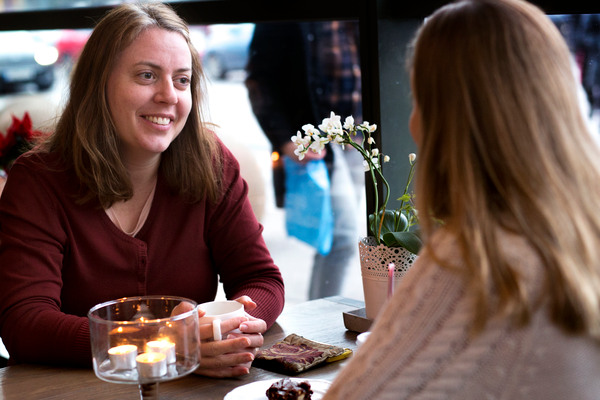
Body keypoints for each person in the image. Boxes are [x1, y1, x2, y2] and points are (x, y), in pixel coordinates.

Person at [324, 0, 600, 398]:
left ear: (445, 124)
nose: (411, 121)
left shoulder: (476, 259)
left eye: (418, 100)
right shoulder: (577, 237)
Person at [0, 3, 284, 378]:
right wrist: (168, 340)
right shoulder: (38, 179)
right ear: (98, 84)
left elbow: (262, 280)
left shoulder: (212, 163)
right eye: (147, 75)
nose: (169, 96)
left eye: (182, 80)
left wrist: (236, 321)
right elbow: (26, 323)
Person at [245, 21, 364, 299]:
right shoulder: (288, 14)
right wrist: (286, 140)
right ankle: (320, 322)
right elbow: (259, 80)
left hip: (360, 136)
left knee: (346, 239)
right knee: (341, 239)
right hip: (321, 142)